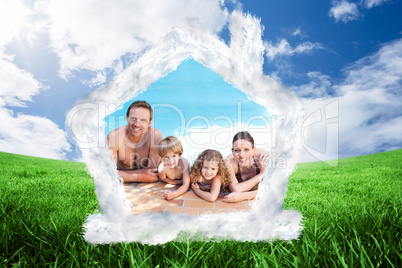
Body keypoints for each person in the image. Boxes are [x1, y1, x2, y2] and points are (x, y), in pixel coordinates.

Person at [107, 100, 163, 182]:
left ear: (150, 123)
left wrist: (120, 174)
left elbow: (153, 173)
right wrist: (139, 176)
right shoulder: (114, 137)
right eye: (133, 119)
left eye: (143, 120)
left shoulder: (155, 136)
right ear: (127, 118)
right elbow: (108, 173)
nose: (136, 124)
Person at [222, 131, 269, 203]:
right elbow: (236, 189)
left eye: (246, 150)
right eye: (237, 150)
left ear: (253, 150)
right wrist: (262, 174)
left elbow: (273, 188)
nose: (242, 155)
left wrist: (242, 196)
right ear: (232, 151)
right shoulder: (228, 162)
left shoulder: (263, 157)